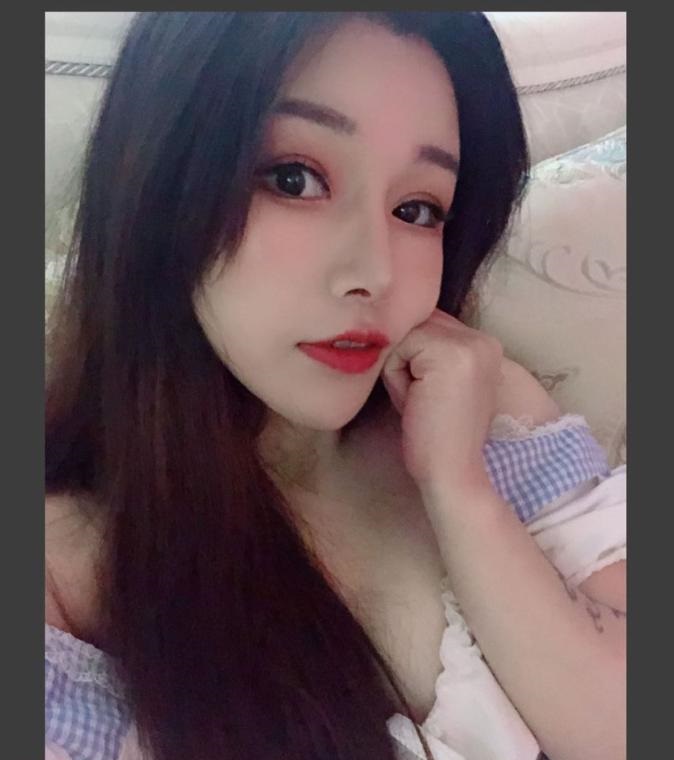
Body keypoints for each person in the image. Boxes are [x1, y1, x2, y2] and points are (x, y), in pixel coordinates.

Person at [45, 11, 626, 760]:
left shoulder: (482, 409)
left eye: (417, 209)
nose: (377, 273)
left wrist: (459, 490)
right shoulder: (61, 577)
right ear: (158, 180)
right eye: (294, 179)